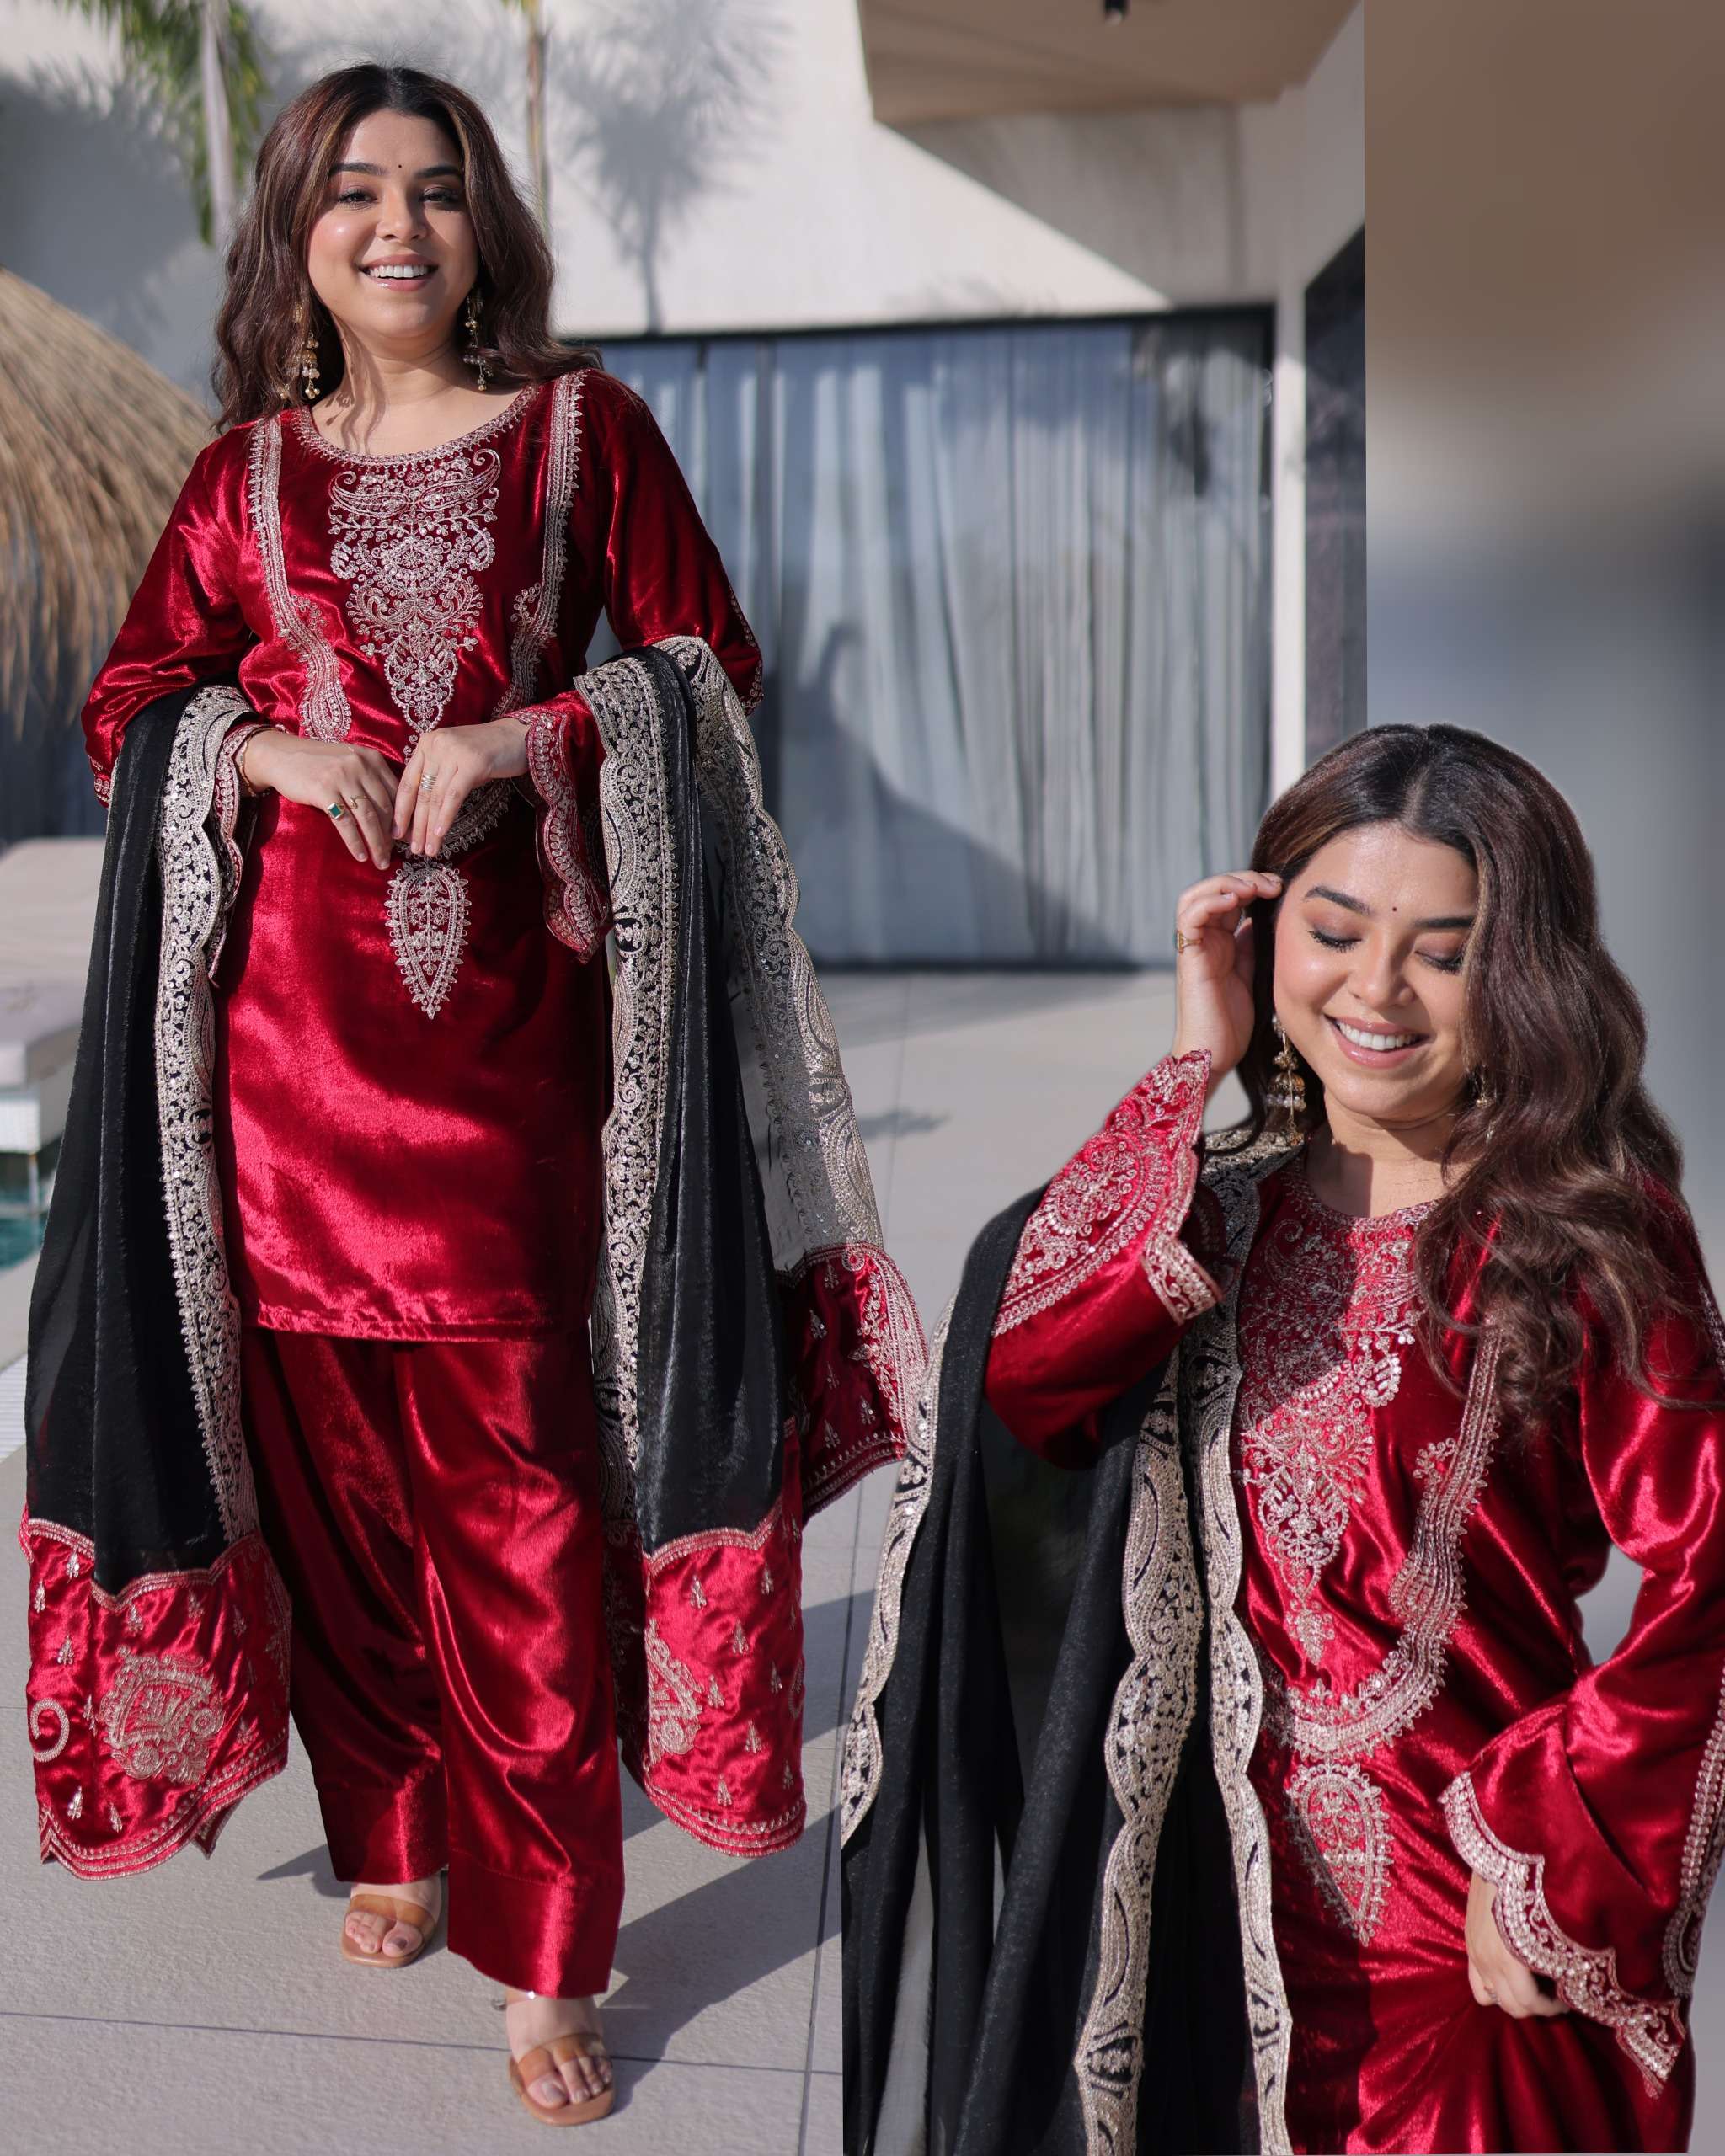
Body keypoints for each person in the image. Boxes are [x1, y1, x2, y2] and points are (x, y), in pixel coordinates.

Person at [22, 63, 921, 2131]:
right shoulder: (238, 479)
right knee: (339, 1505)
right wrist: (259, 748)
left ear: (485, 225)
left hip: (510, 1063)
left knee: (516, 1504)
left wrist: (526, 738)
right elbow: (133, 699)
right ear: (297, 233)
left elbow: (707, 666)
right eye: (355, 192)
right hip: (272, 1074)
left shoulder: (585, 436)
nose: (399, 226)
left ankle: (547, 1944)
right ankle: (399, 1827)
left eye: (437, 191)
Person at [842, 723, 1725, 2154]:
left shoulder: (1580, 1229)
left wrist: (1557, 1852)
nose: (1375, 991)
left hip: (1461, 1926)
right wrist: (1194, 1066)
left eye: (1445, 953)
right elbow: (1024, 1382)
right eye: (1334, 932)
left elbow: (1712, 1570)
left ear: (1524, 973)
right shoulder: (1217, 1211)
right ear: (1266, 936)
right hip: (1200, 1912)